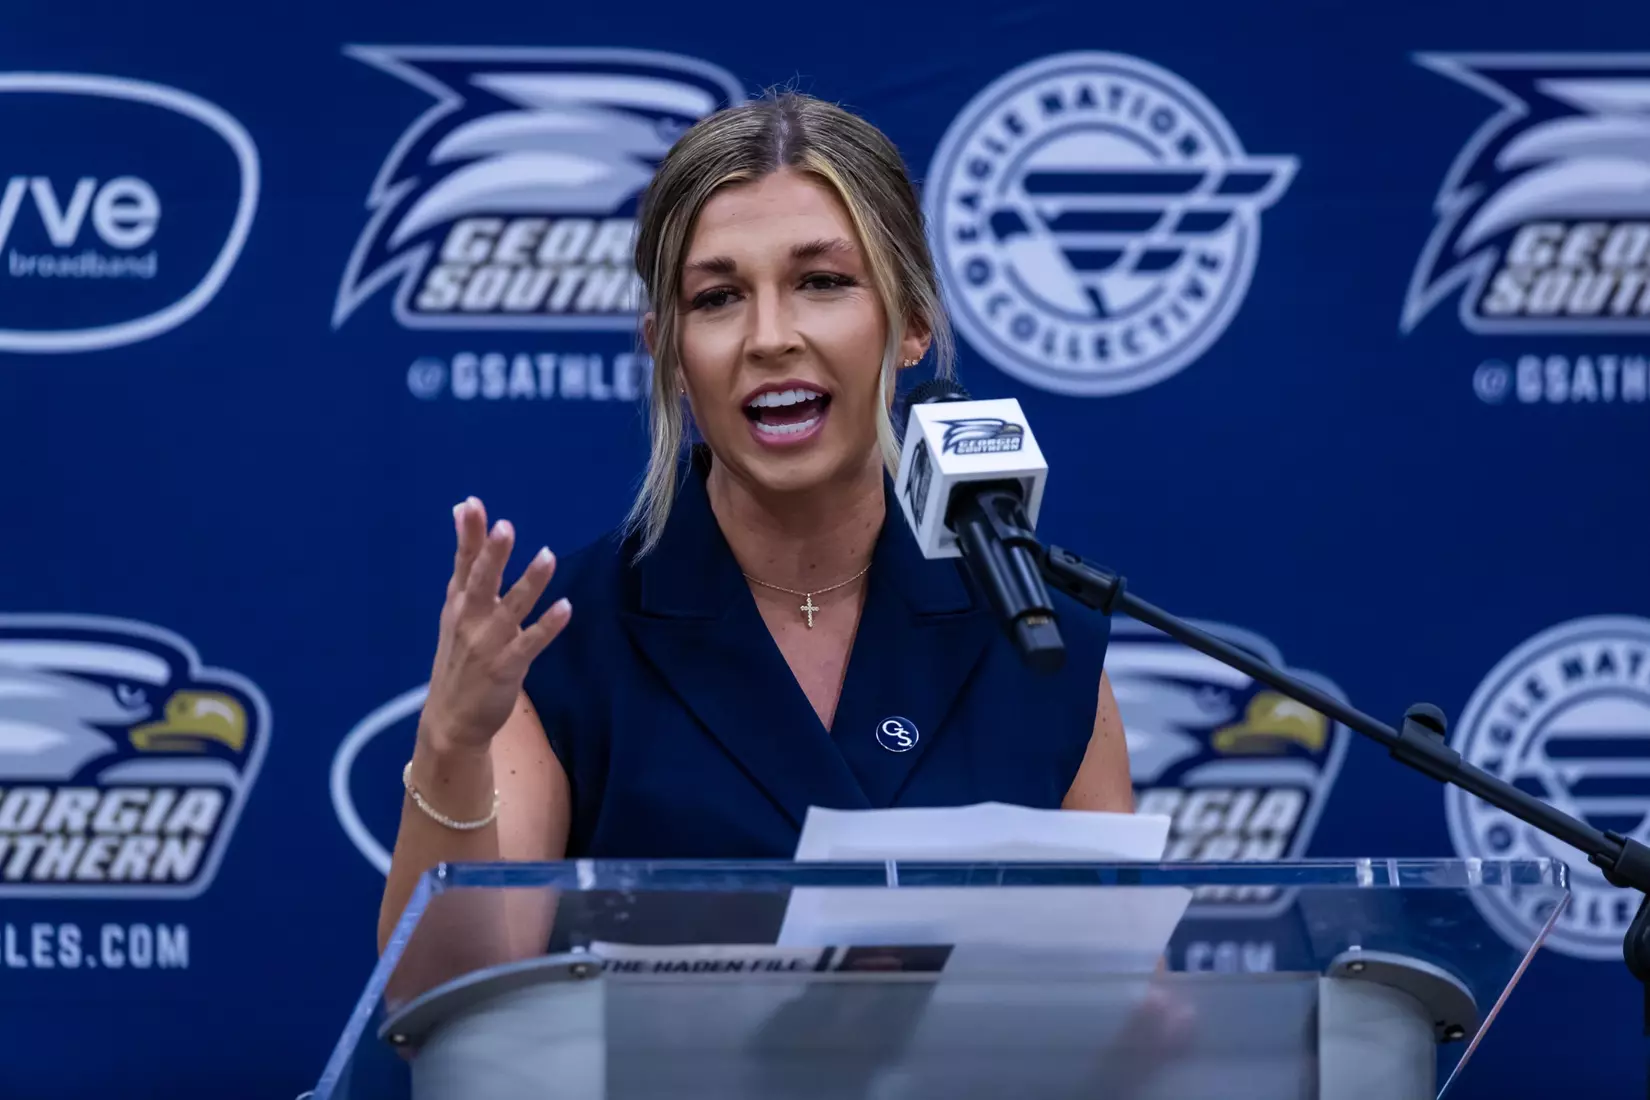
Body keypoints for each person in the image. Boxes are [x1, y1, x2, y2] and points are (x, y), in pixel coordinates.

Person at [376, 91, 1133, 954]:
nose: (770, 337)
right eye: (718, 298)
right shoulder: (560, 649)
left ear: (912, 323)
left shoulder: (1040, 639)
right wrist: (450, 740)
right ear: (666, 347)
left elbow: (1117, 1002)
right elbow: (444, 999)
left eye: (821, 282)